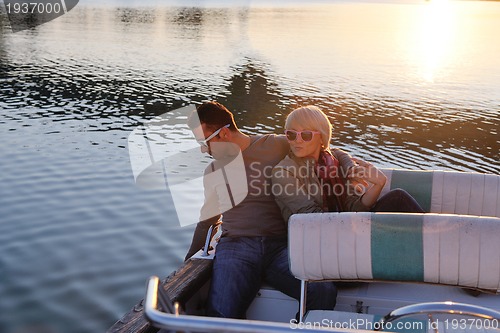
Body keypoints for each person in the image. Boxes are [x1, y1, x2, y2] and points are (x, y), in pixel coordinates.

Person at [184, 101, 356, 319]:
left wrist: (349, 167)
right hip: (236, 247)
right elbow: (207, 220)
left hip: (282, 246)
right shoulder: (212, 171)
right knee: (221, 312)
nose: (203, 150)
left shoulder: (275, 145)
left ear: (224, 134)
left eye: (204, 142)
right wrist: (187, 263)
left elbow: (326, 148)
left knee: (322, 291)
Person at [272, 105, 424, 223]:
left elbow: (355, 208)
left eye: (305, 135)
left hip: (345, 226)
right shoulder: (284, 172)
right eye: (291, 134)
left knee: (398, 198)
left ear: (321, 137)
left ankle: (436, 244)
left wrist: (378, 184)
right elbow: (312, 219)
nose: (297, 140)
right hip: (316, 237)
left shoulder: (332, 161)